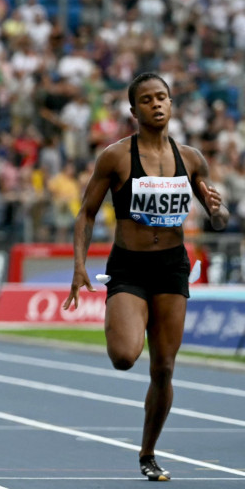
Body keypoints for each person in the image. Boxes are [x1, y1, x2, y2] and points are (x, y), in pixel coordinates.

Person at [63, 72, 228, 481]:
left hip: (171, 266)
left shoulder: (191, 159)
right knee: (123, 357)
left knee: (165, 369)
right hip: (130, 266)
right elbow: (84, 213)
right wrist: (80, 265)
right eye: (148, 99)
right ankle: (117, 311)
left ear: (171, 105)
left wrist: (216, 207)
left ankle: (148, 453)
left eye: (163, 98)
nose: (157, 104)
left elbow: (220, 221)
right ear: (134, 110)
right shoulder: (116, 157)